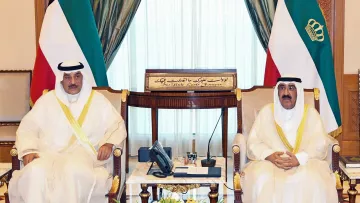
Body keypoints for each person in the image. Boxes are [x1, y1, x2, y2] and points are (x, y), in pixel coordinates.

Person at [8, 61, 127, 203]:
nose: (73, 82)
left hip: (82, 155)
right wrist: (28, 150)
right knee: (34, 171)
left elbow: (117, 125)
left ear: (83, 77)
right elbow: (28, 127)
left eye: (77, 76)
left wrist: (109, 143)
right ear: (61, 79)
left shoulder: (98, 101)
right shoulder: (47, 100)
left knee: (72, 171)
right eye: (67, 77)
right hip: (48, 155)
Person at [242, 76, 338, 203]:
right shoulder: (266, 112)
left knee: (314, 180)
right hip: (270, 163)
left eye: (291, 88)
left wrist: (299, 158)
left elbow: (320, 143)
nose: (286, 93)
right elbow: (253, 143)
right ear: (277, 91)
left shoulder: (310, 113)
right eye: (282, 88)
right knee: (262, 179)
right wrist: (270, 155)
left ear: (298, 91)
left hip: (305, 161)